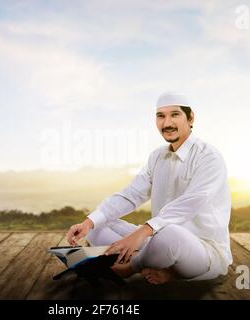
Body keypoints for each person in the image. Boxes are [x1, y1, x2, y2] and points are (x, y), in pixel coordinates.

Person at [65, 92, 232, 284]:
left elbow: (189, 204)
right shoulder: (157, 157)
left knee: (171, 234)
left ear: (191, 117)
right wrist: (88, 222)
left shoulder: (209, 157)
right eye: (161, 116)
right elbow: (131, 195)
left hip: (202, 250)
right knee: (98, 224)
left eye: (175, 115)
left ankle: (131, 266)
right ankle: (155, 261)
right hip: (156, 238)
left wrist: (141, 233)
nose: (167, 123)